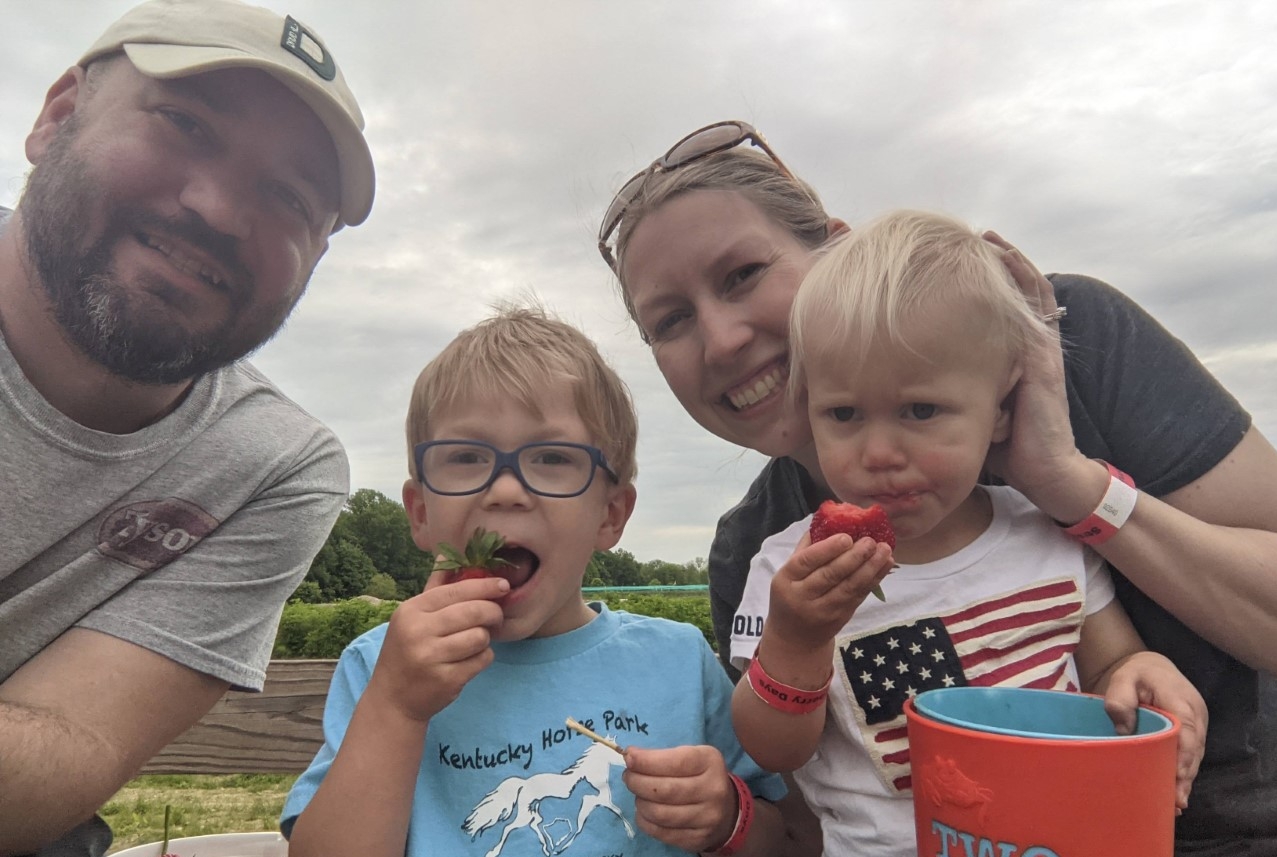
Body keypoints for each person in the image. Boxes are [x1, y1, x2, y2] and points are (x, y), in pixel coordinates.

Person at [598, 120, 1277, 855]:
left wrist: (1068, 484)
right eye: (670, 320)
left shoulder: (1066, 348)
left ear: (835, 253)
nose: (723, 338)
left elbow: (1110, 656)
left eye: (742, 274)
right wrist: (792, 651)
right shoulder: (760, 553)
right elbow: (802, 784)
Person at [0, 1, 374, 854]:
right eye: (186, 124)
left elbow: (64, 757)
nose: (219, 210)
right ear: (58, 115)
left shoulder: (272, 464)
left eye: (289, 196)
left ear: (315, 258)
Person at [728, 209, 1206, 856]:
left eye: (920, 409)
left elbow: (1110, 661)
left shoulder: (1043, 533)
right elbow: (773, 749)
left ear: (1001, 410)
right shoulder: (789, 568)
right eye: (842, 414)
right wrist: (796, 640)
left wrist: (1144, 672)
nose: (878, 451)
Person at [281, 306, 786, 857]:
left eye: (551, 457)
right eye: (466, 456)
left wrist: (727, 817)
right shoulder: (381, 667)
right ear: (421, 512)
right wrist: (397, 708)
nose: (505, 490)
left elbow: (786, 840)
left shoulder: (679, 662)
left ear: (610, 514)